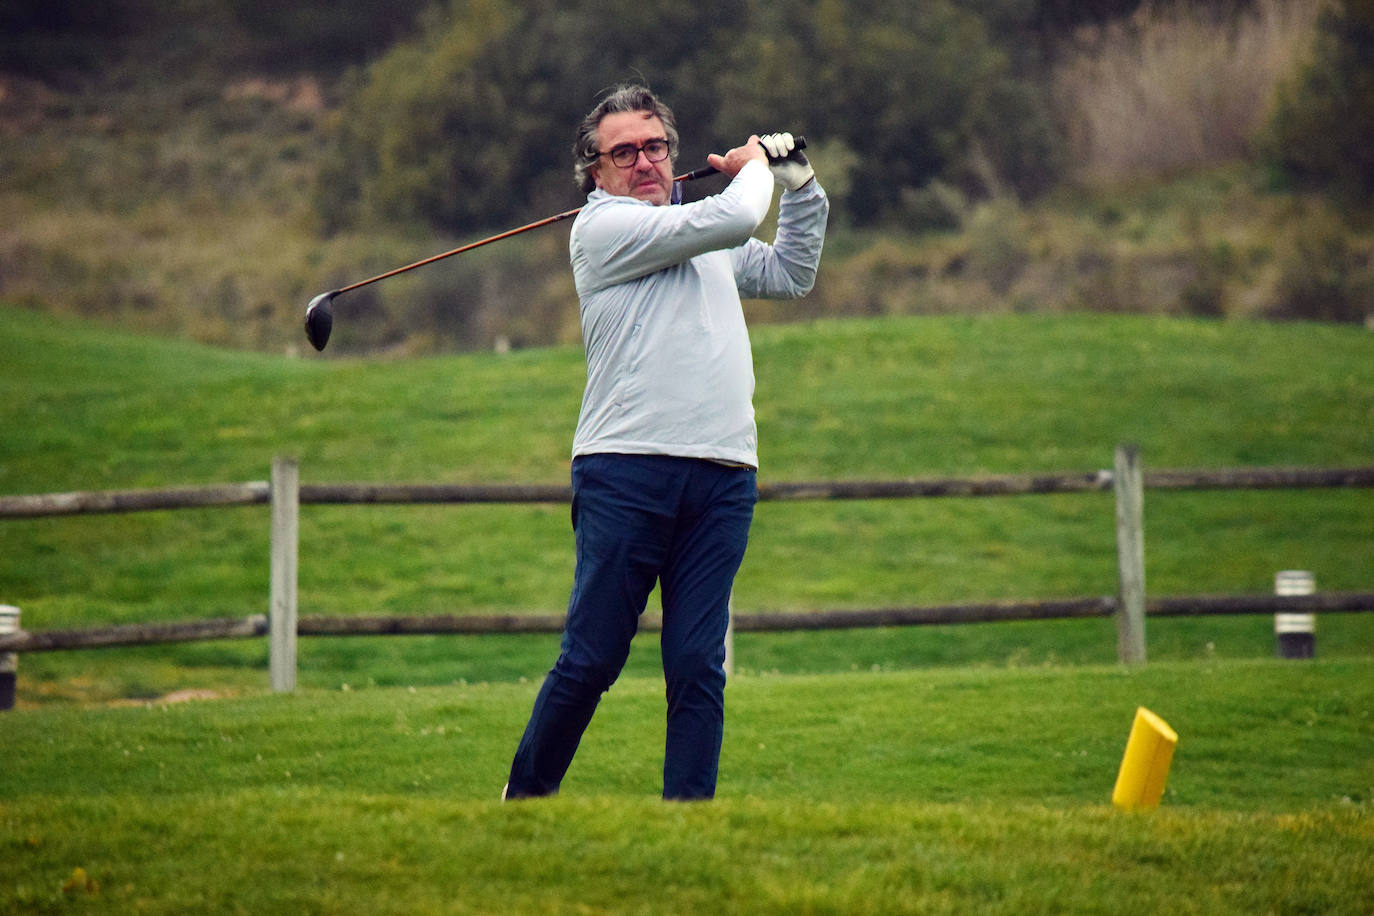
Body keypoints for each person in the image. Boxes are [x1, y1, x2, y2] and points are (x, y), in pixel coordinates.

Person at [504, 84, 828, 801]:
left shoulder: (699, 232)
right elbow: (740, 210)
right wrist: (753, 166)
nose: (645, 162)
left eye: (655, 147)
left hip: (722, 475)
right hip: (626, 471)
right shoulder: (604, 230)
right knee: (591, 659)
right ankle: (522, 804)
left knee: (696, 664)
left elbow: (792, 270)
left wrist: (799, 182)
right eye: (625, 152)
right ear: (596, 171)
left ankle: (690, 824)